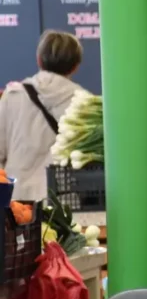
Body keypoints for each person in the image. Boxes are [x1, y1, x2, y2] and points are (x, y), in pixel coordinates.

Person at [0, 31, 84, 201]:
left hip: (16, 200)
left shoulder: (13, 95)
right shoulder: (83, 102)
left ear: (39, 60)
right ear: (76, 65)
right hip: (62, 201)